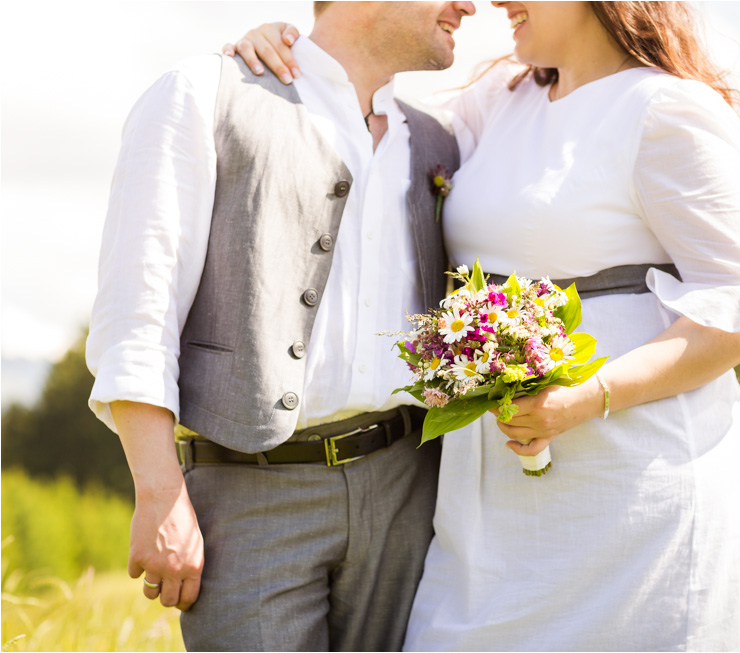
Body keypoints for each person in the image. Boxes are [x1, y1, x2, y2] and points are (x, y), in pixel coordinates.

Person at [234, 1, 740, 649]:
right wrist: (294, 55)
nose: (495, 2)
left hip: (635, 485)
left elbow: (739, 309)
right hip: (492, 497)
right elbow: (372, 115)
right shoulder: (499, 101)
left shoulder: (667, 110)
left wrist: (586, 397)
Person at [85, 2, 476, 650]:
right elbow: (138, 308)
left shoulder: (441, 139)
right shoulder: (203, 93)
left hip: (409, 488)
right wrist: (158, 490)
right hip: (252, 493)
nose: (468, 4)